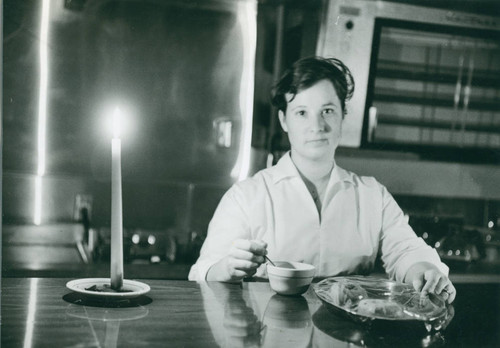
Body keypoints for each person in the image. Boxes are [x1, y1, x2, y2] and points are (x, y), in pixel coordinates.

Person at [188, 56, 456, 304]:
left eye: (327, 111)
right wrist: (227, 267)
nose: (316, 125)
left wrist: (425, 270)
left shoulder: (372, 194)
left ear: (342, 116)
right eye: (302, 112)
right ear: (284, 120)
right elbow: (203, 272)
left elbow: (406, 251)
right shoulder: (246, 196)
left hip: (348, 336)